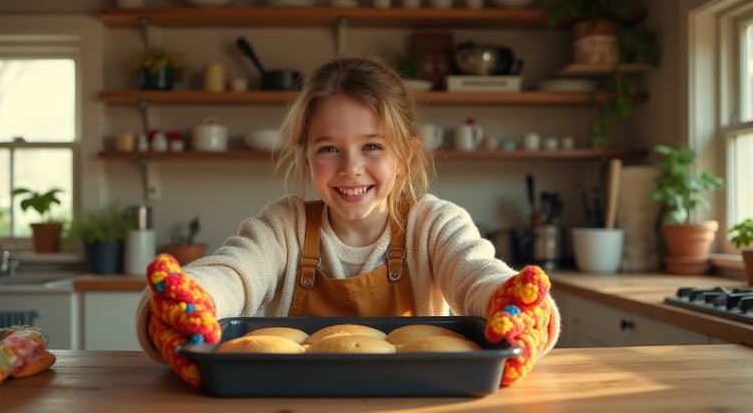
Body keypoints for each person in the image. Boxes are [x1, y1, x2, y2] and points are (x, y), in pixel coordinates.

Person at [136, 56, 560, 389]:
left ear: (406, 155)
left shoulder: (434, 224)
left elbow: (475, 275)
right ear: (306, 158)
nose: (351, 168)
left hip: (419, 398)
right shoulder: (284, 226)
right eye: (328, 149)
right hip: (290, 402)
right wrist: (193, 301)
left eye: (372, 146)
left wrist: (507, 303)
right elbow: (234, 272)